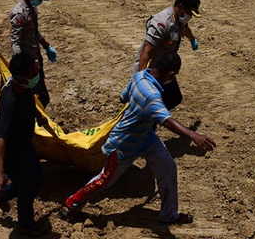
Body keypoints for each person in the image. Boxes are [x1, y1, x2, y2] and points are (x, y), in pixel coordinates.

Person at [61, 52, 216, 225]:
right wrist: (193, 135)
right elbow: (168, 121)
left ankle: (169, 214)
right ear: (171, 74)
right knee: (104, 181)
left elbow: (123, 97)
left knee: (168, 167)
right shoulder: (151, 96)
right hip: (124, 145)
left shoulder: (140, 76)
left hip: (146, 137)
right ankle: (71, 205)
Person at [0, 52, 54, 237]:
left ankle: (1, 194)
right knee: (28, 187)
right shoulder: (9, 101)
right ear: (20, 78)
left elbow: (29, 102)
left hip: (25, 145)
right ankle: (26, 225)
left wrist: (39, 116)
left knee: (38, 178)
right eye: (33, 74)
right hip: (13, 153)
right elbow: (0, 137)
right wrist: (0, 172)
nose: (37, 76)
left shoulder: (23, 87)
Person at [132, 0, 202, 110]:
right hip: (151, 72)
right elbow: (146, 51)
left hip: (164, 70)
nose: (190, 16)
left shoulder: (179, 18)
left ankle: (151, 118)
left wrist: (192, 39)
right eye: (189, 12)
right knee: (155, 104)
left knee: (173, 98)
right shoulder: (162, 23)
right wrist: (142, 80)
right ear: (180, 7)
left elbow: (185, 29)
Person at [10, 0, 56, 107]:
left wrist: (46, 46)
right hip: (27, 66)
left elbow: (35, 31)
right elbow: (15, 42)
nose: (40, 1)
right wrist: (21, 67)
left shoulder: (33, 8)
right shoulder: (19, 13)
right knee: (37, 98)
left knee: (40, 98)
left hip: (36, 61)